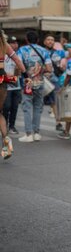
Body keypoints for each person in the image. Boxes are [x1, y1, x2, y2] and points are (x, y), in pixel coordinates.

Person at [17, 31, 52, 143]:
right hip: (40, 82)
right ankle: (36, 133)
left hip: (27, 82)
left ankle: (28, 134)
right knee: (38, 107)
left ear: (27, 40)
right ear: (37, 40)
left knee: (27, 107)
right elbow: (49, 69)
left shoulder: (22, 50)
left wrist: (25, 73)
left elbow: (18, 65)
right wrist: (39, 72)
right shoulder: (44, 51)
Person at [0, 31, 26, 159]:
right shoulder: (5, 45)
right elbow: (17, 60)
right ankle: (6, 141)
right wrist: (25, 75)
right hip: (2, 79)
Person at [42, 34, 68, 132]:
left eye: (52, 40)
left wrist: (66, 45)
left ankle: (58, 123)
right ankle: (34, 126)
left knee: (55, 101)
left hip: (54, 80)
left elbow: (70, 54)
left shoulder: (59, 53)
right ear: (44, 42)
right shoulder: (40, 51)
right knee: (37, 102)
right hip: (41, 79)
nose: (50, 41)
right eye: (48, 39)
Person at [3, 36, 22, 135]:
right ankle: (4, 125)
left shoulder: (18, 56)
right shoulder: (3, 55)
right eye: (12, 43)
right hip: (5, 86)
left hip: (16, 85)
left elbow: (19, 71)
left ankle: (12, 126)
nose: (15, 45)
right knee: (6, 107)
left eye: (16, 43)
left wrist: (18, 71)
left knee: (15, 107)